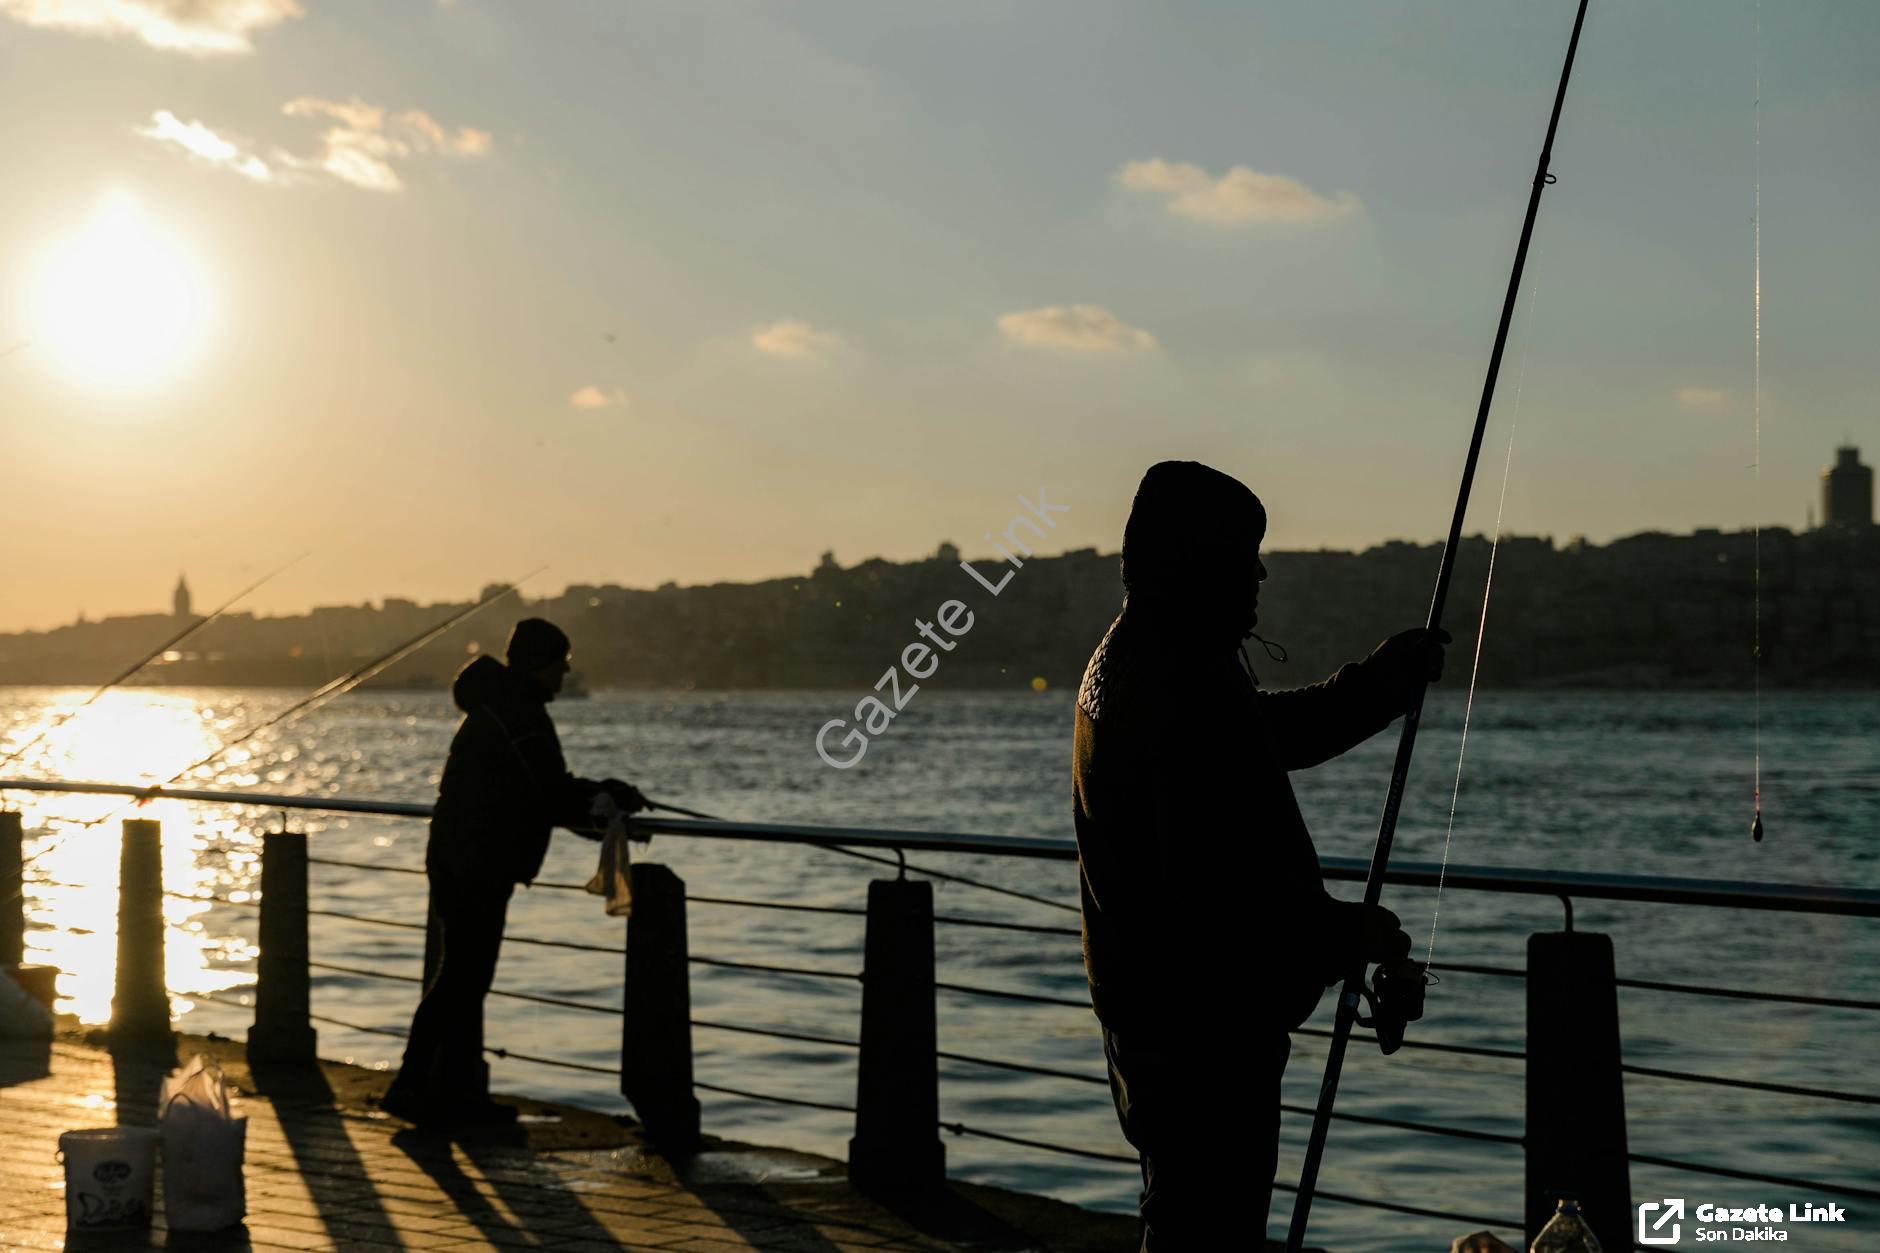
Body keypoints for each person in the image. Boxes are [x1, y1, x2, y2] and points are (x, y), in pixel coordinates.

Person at [1072, 461, 1447, 1249]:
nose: (1260, 574)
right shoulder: (1175, 680)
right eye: (1245, 555)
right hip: (1201, 1036)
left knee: (1186, 1214)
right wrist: (1348, 935)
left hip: (1157, 1016)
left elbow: (1257, 737)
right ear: (1197, 562)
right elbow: (1214, 898)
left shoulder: (1148, 657)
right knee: (1206, 1225)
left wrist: (1377, 685)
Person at [381, 617, 648, 1127]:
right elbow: (549, 790)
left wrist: (597, 796)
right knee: (464, 980)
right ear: (540, 663)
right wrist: (607, 796)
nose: (566, 674)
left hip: (460, 857)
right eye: (561, 663)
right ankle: (418, 1088)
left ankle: (440, 1091)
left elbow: (539, 789)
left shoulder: (497, 705)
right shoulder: (519, 712)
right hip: (479, 864)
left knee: (461, 979)